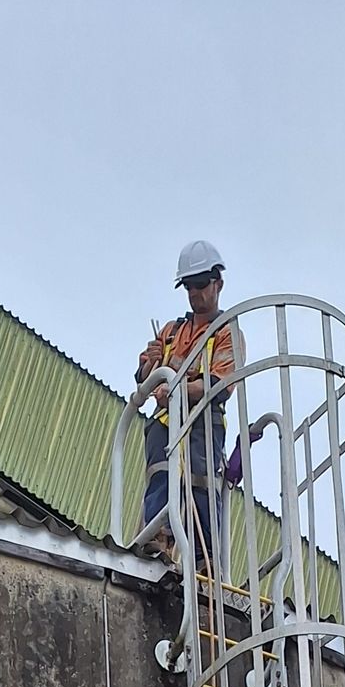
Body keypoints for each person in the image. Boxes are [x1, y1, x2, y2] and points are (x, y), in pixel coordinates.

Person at [135, 241, 243, 566]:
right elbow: (142, 379)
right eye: (188, 287)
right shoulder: (171, 332)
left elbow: (222, 383)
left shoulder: (226, 331)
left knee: (201, 489)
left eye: (199, 285)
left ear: (217, 283)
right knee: (162, 478)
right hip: (166, 424)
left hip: (203, 425)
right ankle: (157, 542)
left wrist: (180, 391)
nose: (194, 293)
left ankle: (203, 564)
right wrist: (149, 364)